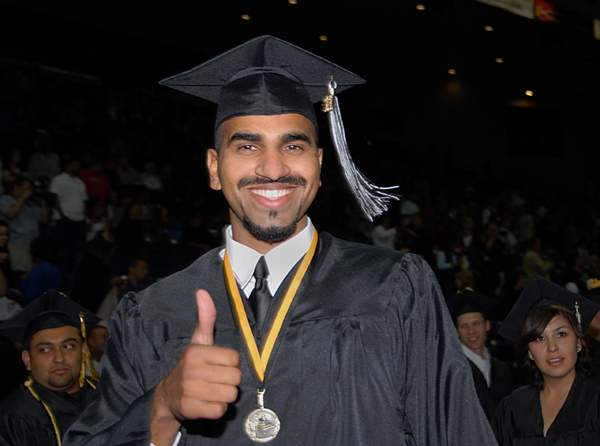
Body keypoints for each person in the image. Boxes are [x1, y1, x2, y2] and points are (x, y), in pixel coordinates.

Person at [65, 35, 496, 446]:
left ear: (320, 163)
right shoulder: (153, 315)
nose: (273, 168)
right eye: (248, 147)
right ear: (214, 168)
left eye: (293, 146)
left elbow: (455, 430)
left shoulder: (394, 289)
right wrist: (160, 410)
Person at [492, 275, 600, 445]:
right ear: (530, 352)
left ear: (578, 342)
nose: (552, 347)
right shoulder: (512, 408)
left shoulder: (595, 400)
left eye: (561, 334)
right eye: (539, 338)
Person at [0, 290, 100, 446]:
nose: (59, 358)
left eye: (68, 346)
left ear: (83, 350)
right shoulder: (14, 416)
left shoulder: (108, 395)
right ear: (28, 359)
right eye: (45, 350)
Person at [447, 290, 512, 421]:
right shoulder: (453, 372)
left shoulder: (501, 369)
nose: (471, 331)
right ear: (456, 331)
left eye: (476, 324)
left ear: (487, 325)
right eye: (464, 326)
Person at [0, 176, 49, 273]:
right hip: (16, 243)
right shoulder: (6, 199)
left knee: (29, 274)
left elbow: (45, 220)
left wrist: (42, 203)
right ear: (17, 187)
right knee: (18, 272)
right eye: (26, 189)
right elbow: (11, 214)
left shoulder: (31, 204)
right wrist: (23, 197)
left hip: (31, 245)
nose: (29, 191)